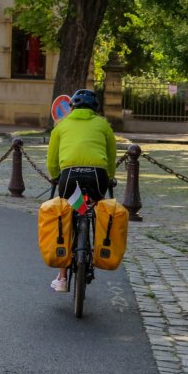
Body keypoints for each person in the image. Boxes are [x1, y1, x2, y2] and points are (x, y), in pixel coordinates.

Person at [46, 88, 117, 292]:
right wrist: (110, 176)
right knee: (95, 209)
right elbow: (111, 157)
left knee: (67, 216)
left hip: (70, 177)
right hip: (97, 177)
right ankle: (96, 249)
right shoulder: (103, 125)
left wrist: (54, 175)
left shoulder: (61, 126)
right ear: (95, 108)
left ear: (72, 107)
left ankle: (62, 278)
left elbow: (52, 159)